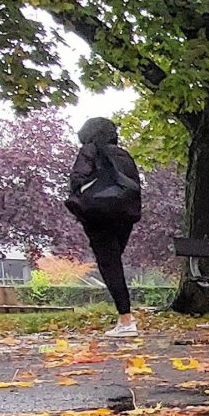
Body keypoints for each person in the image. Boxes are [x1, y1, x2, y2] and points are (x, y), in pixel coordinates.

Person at [66, 117, 143, 337]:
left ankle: (126, 320)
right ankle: (125, 319)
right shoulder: (123, 155)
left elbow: (77, 179)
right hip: (124, 214)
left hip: (98, 214)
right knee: (113, 262)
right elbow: (134, 184)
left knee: (109, 265)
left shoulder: (90, 150)